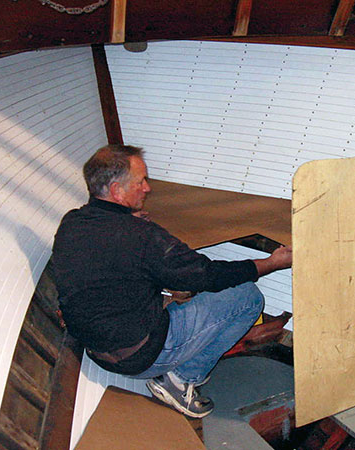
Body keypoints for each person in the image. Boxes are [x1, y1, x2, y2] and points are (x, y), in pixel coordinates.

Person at [52, 144, 292, 418]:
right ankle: (181, 379)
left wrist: (128, 219)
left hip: (97, 350)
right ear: (117, 190)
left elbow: (110, 260)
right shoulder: (142, 236)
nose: (147, 188)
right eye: (140, 181)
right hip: (141, 356)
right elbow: (207, 275)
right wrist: (272, 263)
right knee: (247, 297)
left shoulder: (72, 223)